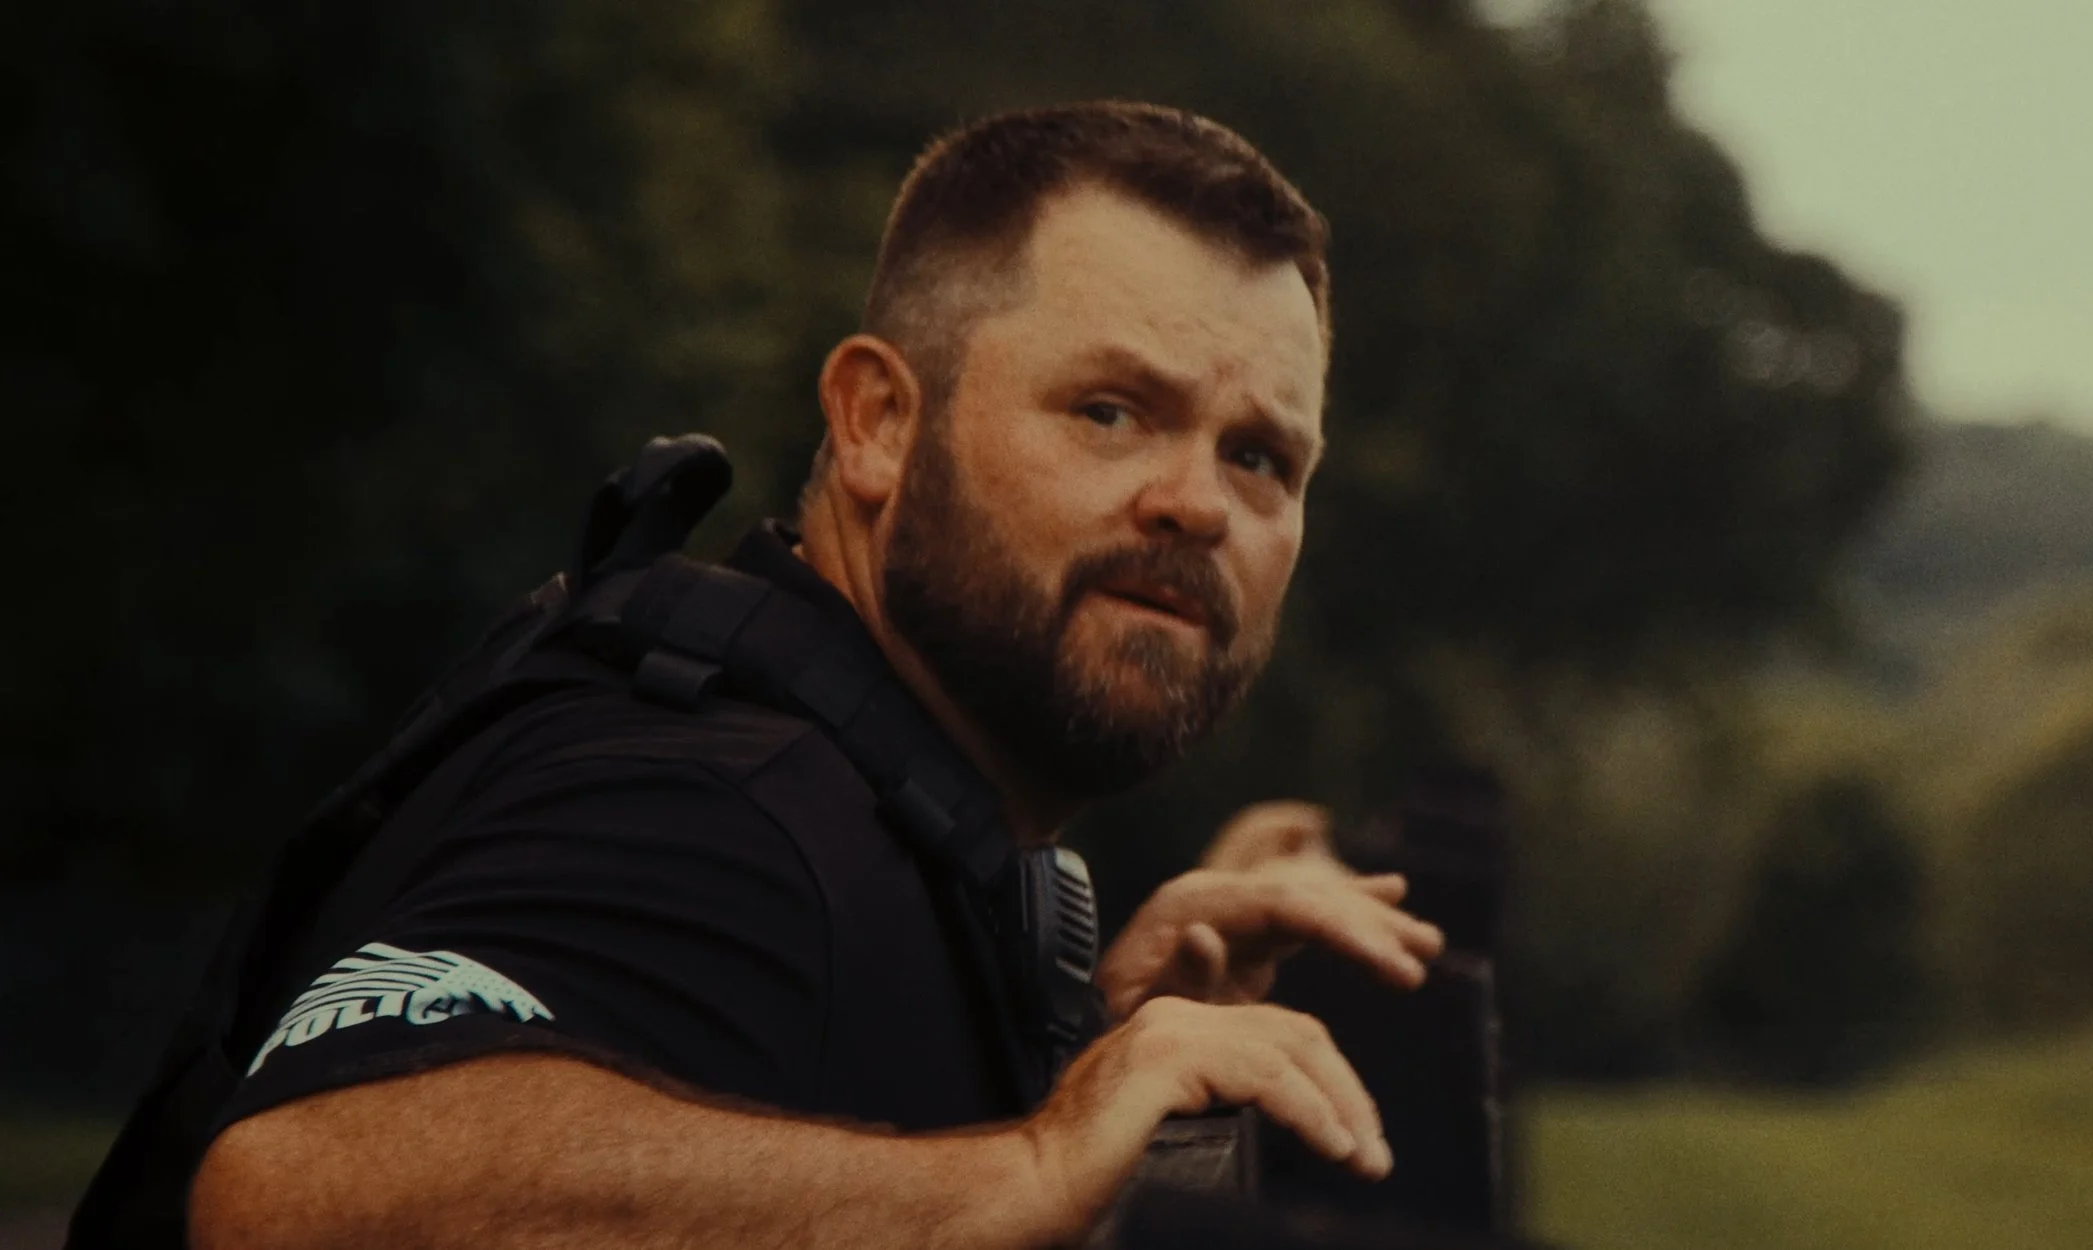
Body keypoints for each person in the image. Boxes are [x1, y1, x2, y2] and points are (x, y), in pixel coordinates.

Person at [181, 101, 1446, 1249]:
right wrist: (1031, 1162)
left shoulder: (896, 822)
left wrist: (1086, 1064)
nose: (1195, 504)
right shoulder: (713, 799)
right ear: (878, 423)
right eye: (1110, 410)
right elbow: (293, 1197)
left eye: (1262, 458)